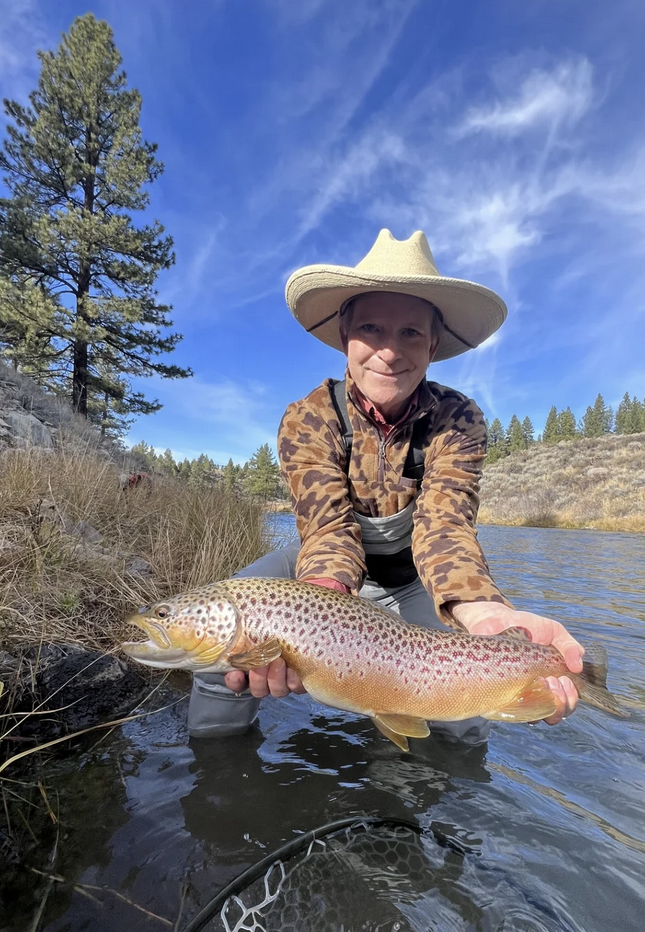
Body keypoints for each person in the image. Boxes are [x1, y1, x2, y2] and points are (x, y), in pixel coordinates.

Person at [188, 230, 583, 741]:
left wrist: (480, 609)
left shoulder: (457, 418)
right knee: (225, 653)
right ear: (345, 336)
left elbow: (445, 528)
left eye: (411, 333)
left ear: (433, 345)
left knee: (466, 713)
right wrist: (315, 621)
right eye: (371, 328)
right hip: (321, 570)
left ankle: (436, 804)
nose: (390, 351)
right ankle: (219, 778)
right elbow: (327, 530)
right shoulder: (308, 417)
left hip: (418, 575)